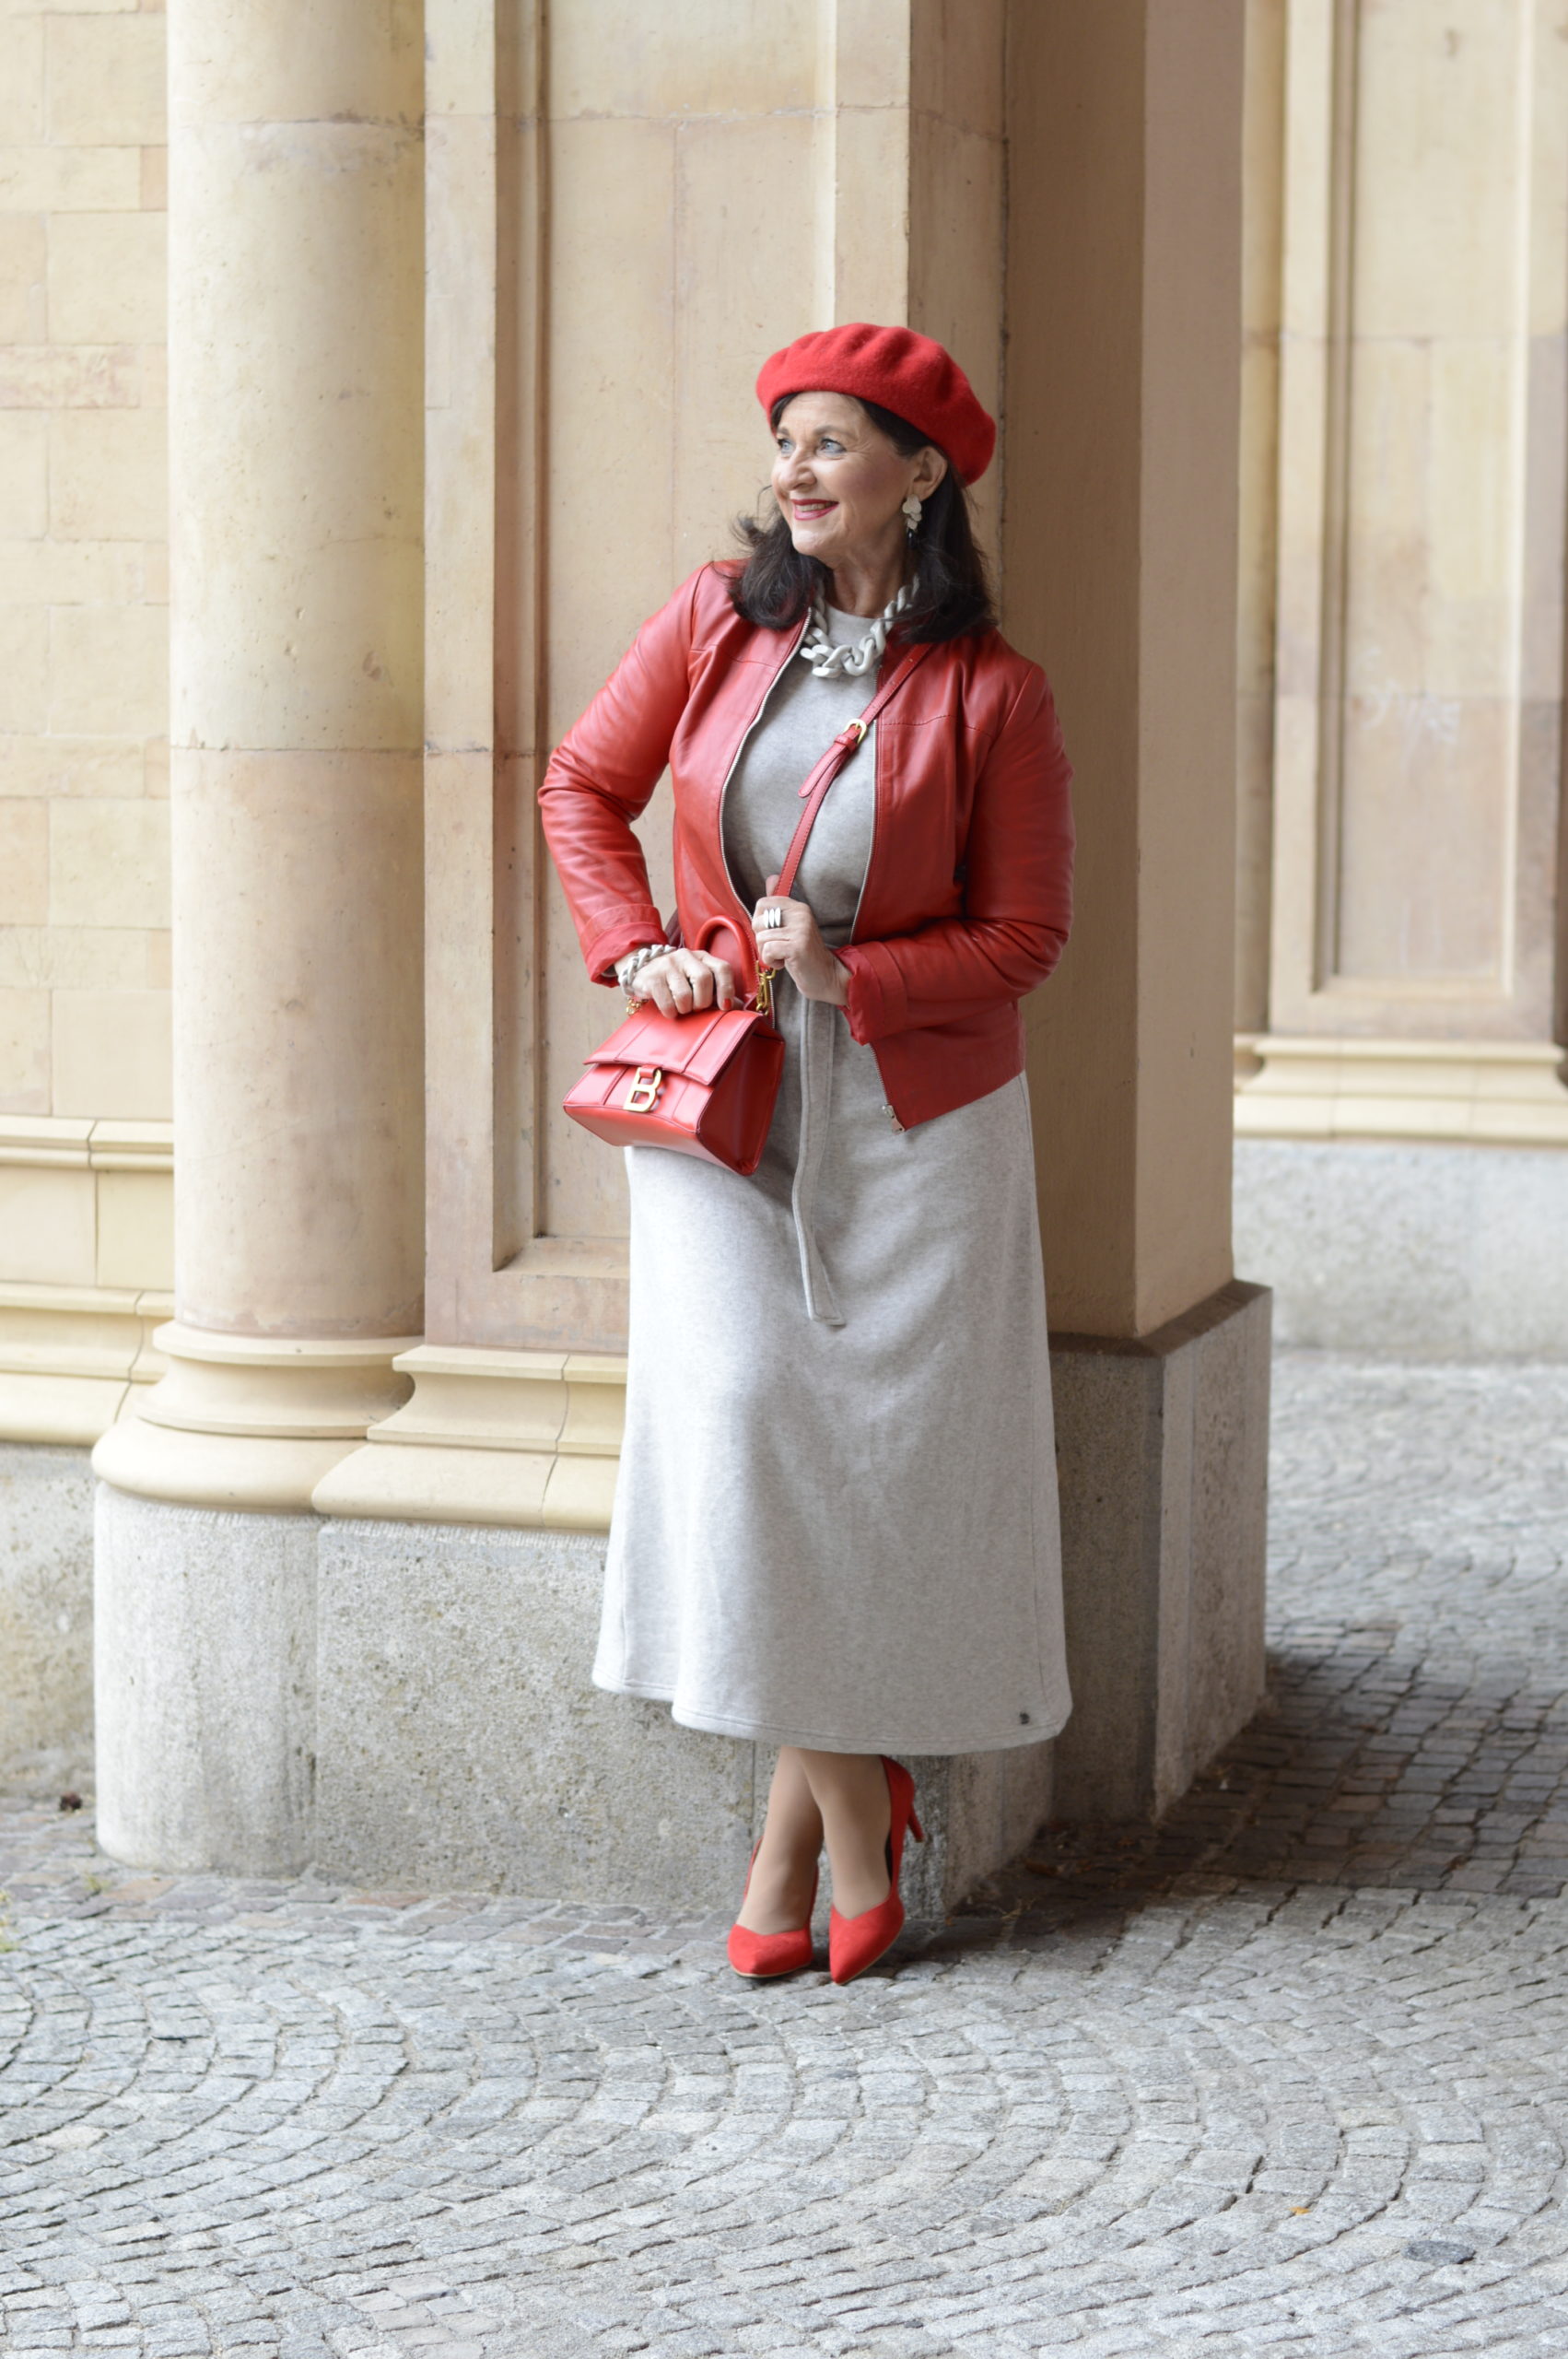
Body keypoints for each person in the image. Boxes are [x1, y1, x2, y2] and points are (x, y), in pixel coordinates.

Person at [539, 322, 1075, 1986]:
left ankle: (794, 1844)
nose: (794, 467)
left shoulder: (995, 693)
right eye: (784, 439)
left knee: (878, 1473)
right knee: (748, 1420)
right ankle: (859, 1804)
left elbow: (1026, 938)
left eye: (831, 441)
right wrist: (639, 946)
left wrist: (853, 975)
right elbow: (580, 786)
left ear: (919, 476)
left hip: (918, 1128)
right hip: (726, 1101)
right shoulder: (715, 617)